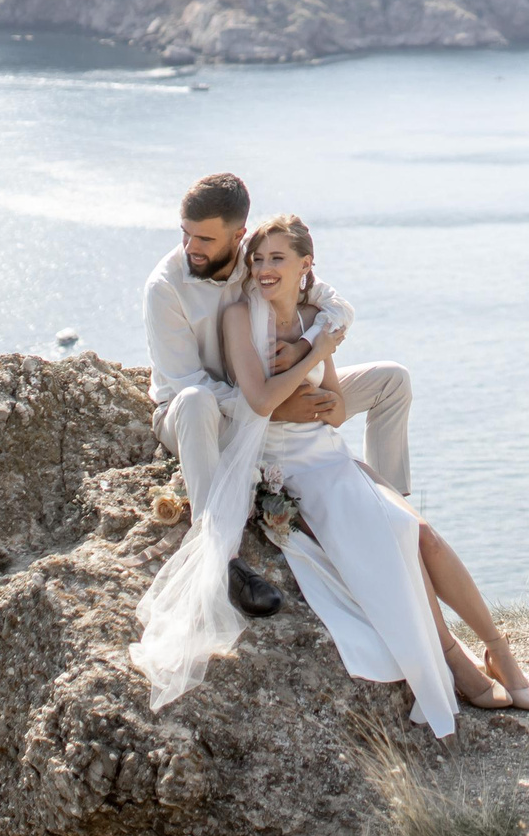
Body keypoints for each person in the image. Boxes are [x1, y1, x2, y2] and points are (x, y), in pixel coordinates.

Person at [131, 213, 529, 731]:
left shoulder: (316, 313)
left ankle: (498, 650)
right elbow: (258, 401)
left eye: (275, 258)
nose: (262, 267)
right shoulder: (239, 312)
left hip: (325, 448)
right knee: (400, 536)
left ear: (306, 265)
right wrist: (313, 359)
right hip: (280, 456)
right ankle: (456, 663)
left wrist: (312, 353)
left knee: (421, 533)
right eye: (258, 259)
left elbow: (338, 409)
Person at [140, 173, 411, 617]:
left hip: (272, 391)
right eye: (185, 233)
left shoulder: (258, 259)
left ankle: (393, 511)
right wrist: (277, 406)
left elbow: (337, 307)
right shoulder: (165, 288)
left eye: (206, 237)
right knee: (194, 401)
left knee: (392, 380)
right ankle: (223, 558)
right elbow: (185, 382)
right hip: (199, 415)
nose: (192, 247)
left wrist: (305, 348)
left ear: (239, 235)